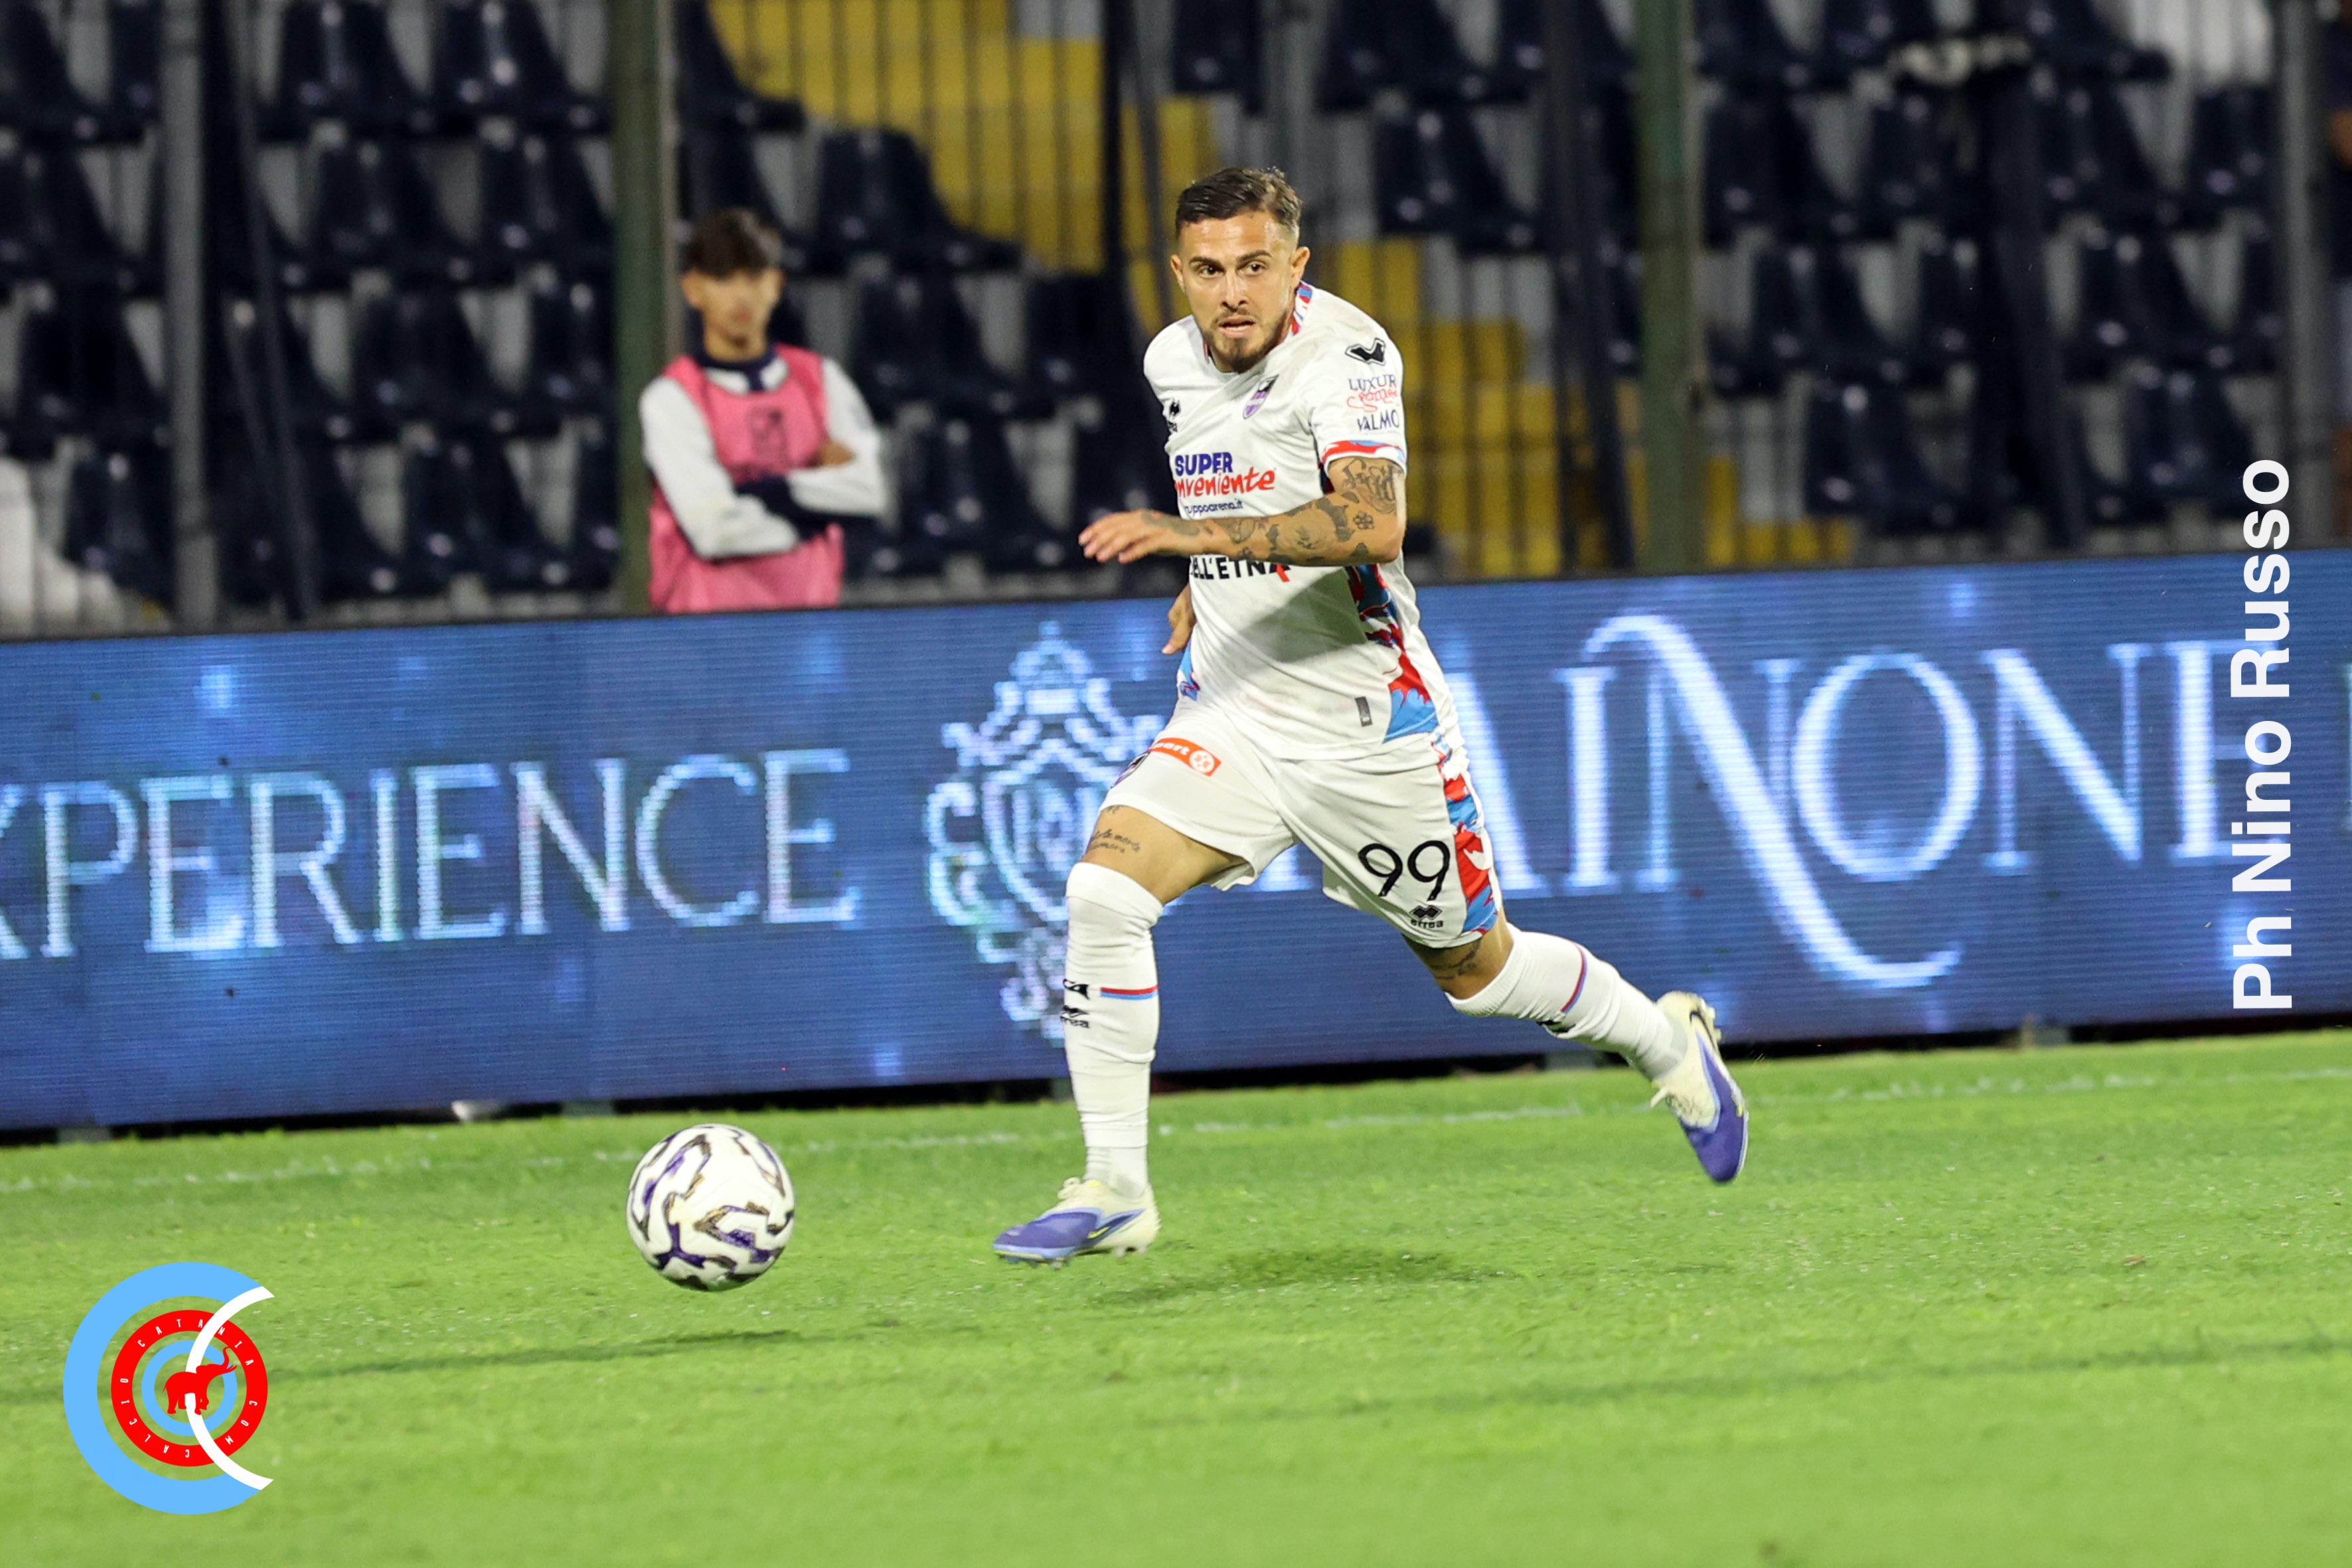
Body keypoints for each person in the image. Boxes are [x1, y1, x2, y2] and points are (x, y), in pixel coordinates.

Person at [991, 167, 1747, 1266]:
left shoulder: (1344, 358)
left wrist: (1193, 540)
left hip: (1363, 723)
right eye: (1207, 270)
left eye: (1254, 266)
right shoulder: (1169, 361)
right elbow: (1240, 485)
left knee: (1478, 973)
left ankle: (1665, 1041)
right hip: (1232, 707)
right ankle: (1115, 1187)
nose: (1231, 292)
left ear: (1295, 265)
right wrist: (1205, 580)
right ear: (1178, 274)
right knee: (1102, 891)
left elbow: (1370, 523)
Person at [639, 208, 884, 612]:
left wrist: (771, 493)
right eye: (723, 279)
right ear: (693, 289)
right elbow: (715, 531)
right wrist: (814, 513)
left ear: (776, 284)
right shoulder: (671, 399)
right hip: (706, 634)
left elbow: (869, 492)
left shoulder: (820, 380)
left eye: (753, 277)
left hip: (812, 626)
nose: (741, 296)